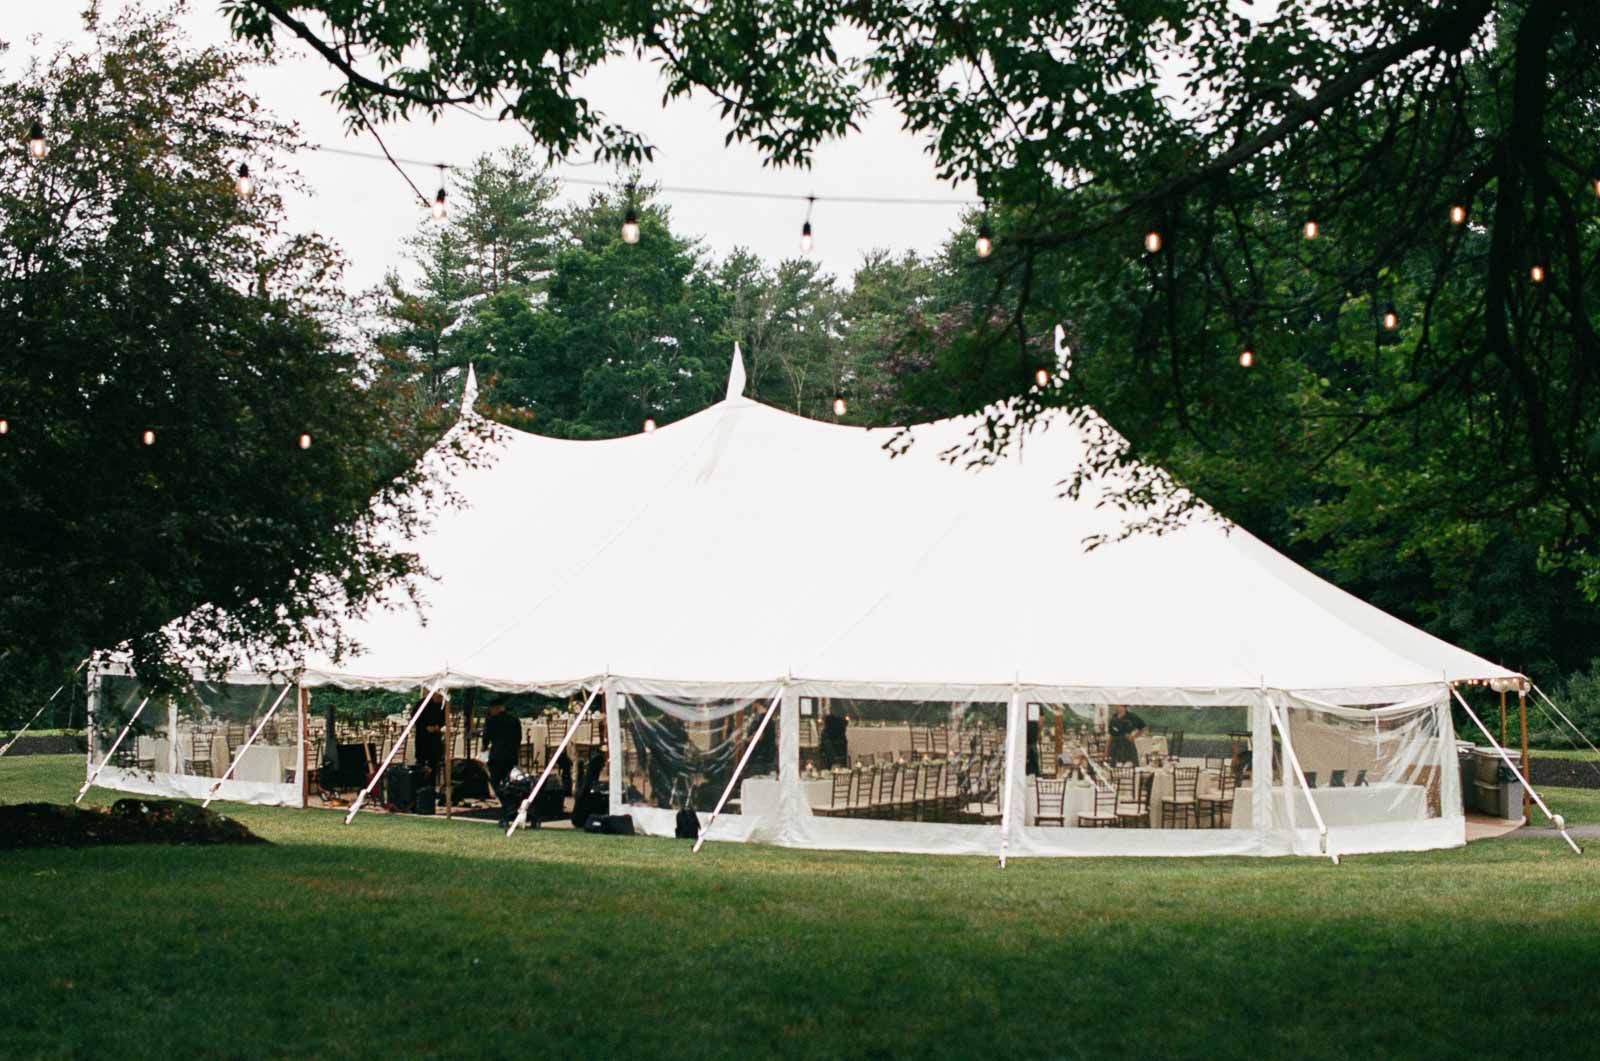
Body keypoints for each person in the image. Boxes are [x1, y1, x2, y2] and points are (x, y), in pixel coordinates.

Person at [482, 699, 520, 827]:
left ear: (496, 708)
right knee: (508, 781)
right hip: (511, 755)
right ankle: (510, 804)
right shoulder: (514, 720)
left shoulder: (491, 721)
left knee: (495, 781)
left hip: (497, 755)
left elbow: (487, 737)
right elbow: (518, 738)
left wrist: (484, 746)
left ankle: (508, 805)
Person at [414, 691, 446, 781]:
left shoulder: (442, 705)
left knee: (434, 762)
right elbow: (415, 718)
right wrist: (425, 727)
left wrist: (438, 726)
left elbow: (444, 719)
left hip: (435, 739)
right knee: (421, 762)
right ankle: (420, 784)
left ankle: (431, 786)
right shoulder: (422, 703)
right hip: (422, 738)